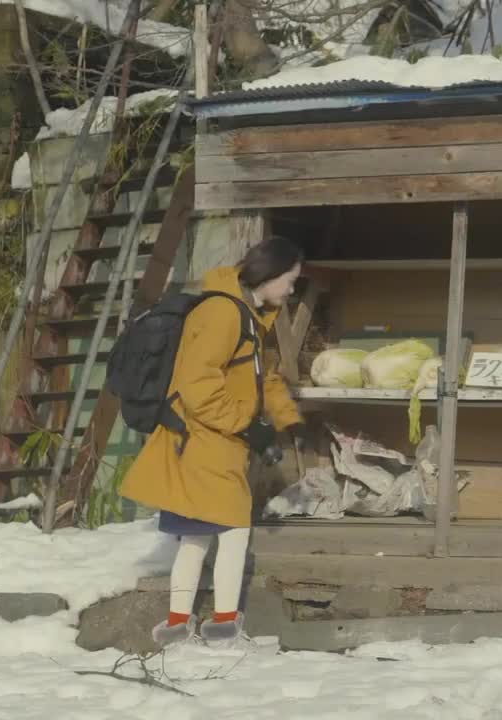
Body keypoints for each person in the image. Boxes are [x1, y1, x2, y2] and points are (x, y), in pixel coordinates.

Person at [119, 236, 305, 648]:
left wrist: (286, 420)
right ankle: (223, 627)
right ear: (270, 274)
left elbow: (259, 377)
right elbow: (198, 385)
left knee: (195, 536)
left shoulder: (247, 315)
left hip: (211, 441)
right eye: (290, 280)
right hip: (204, 442)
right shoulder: (223, 313)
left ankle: (177, 626)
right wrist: (247, 426)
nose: (292, 289)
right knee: (233, 530)